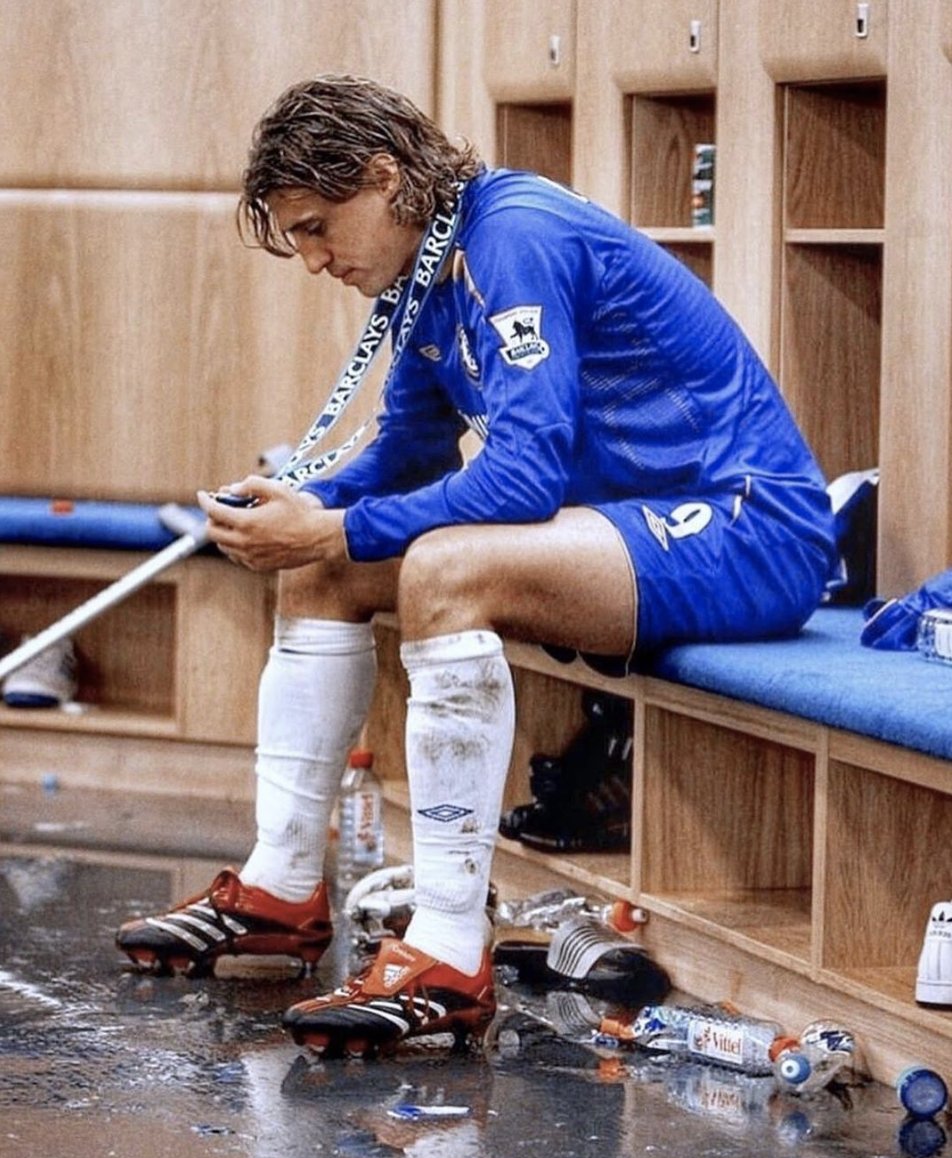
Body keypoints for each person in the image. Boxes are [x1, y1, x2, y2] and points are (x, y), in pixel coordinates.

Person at [116, 74, 838, 1057]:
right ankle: (282, 888)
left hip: (754, 527)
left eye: (321, 227)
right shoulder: (429, 266)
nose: (315, 258)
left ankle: (450, 952)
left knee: (442, 568)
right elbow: (404, 456)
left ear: (384, 177)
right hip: (628, 526)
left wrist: (337, 527)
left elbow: (522, 478)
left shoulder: (513, 237)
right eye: (299, 238)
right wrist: (304, 505)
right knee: (321, 572)